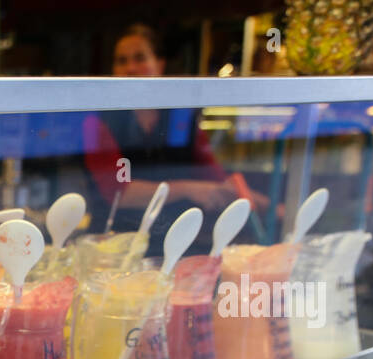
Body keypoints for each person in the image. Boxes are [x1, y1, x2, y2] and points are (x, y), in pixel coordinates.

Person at [82, 24, 264, 245]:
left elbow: (213, 177)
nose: (130, 67)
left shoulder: (180, 119)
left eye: (140, 58)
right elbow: (120, 193)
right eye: (121, 60)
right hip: (115, 246)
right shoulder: (98, 121)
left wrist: (269, 205)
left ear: (159, 64)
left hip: (176, 241)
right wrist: (188, 189)